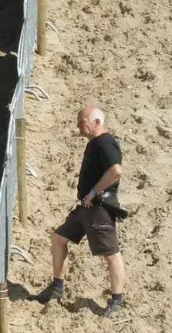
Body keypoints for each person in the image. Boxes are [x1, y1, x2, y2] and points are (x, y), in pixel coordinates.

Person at [39, 105, 126, 317]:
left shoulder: (105, 142)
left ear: (96, 122)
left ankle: (117, 301)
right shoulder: (95, 143)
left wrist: (94, 192)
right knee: (59, 238)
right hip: (85, 206)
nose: (78, 126)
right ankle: (57, 287)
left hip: (98, 207)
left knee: (111, 254)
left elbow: (116, 171)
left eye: (82, 121)